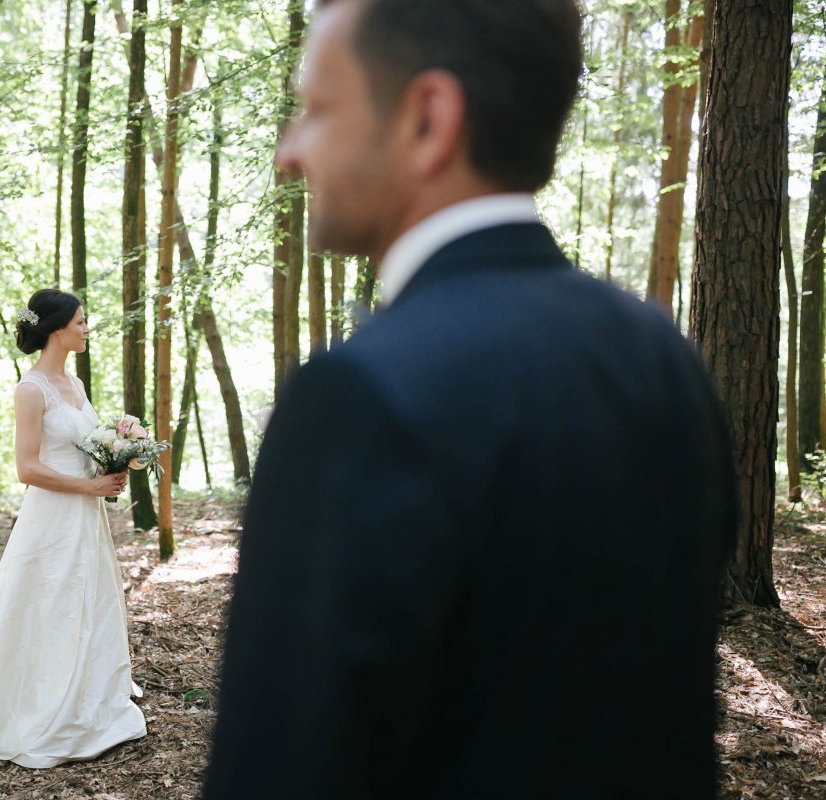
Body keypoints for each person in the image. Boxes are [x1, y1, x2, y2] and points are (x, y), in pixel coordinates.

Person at [203, 1, 736, 798]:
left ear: (428, 119)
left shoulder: (358, 398)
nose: (289, 152)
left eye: (316, 109)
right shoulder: (663, 357)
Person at [0, 288, 146, 768]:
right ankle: (36, 709)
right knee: (46, 605)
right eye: (80, 322)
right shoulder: (30, 390)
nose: (86, 329)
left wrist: (122, 450)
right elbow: (27, 469)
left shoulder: (74, 386)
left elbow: (88, 446)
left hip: (86, 519)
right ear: (57, 330)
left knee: (88, 602)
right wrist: (89, 488)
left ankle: (88, 701)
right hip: (52, 517)